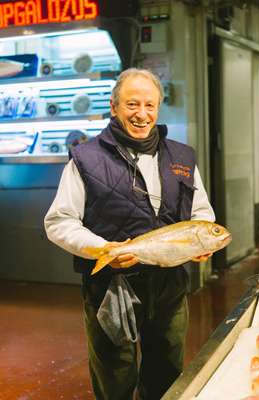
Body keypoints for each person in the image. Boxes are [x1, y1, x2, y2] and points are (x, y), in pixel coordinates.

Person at [44, 68, 215, 400]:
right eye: (132, 104)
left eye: (150, 105)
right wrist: (102, 248)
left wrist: (201, 243)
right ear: (114, 106)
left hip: (168, 286)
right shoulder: (86, 158)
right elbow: (59, 222)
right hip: (112, 285)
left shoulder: (182, 157)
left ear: (158, 108)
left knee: (166, 371)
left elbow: (201, 213)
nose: (142, 114)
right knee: (115, 375)